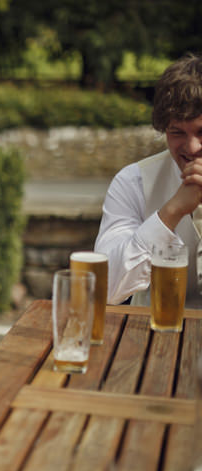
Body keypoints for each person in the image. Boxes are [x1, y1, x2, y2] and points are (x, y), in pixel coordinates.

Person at [95, 53, 202, 307]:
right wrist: (171, 212)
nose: (192, 147)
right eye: (177, 132)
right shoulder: (133, 181)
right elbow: (105, 289)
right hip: (151, 339)